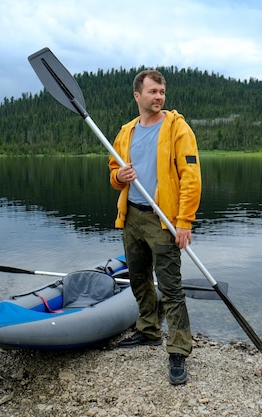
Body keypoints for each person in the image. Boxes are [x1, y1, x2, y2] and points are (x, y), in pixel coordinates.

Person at [108, 69, 202, 385]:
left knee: (171, 288)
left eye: (161, 91)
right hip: (132, 216)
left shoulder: (178, 129)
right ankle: (148, 330)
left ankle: (178, 351)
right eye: (152, 92)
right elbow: (113, 170)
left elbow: (191, 177)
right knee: (138, 278)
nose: (159, 97)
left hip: (164, 219)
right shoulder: (126, 132)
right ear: (138, 95)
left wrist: (185, 221)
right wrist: (118, 178)